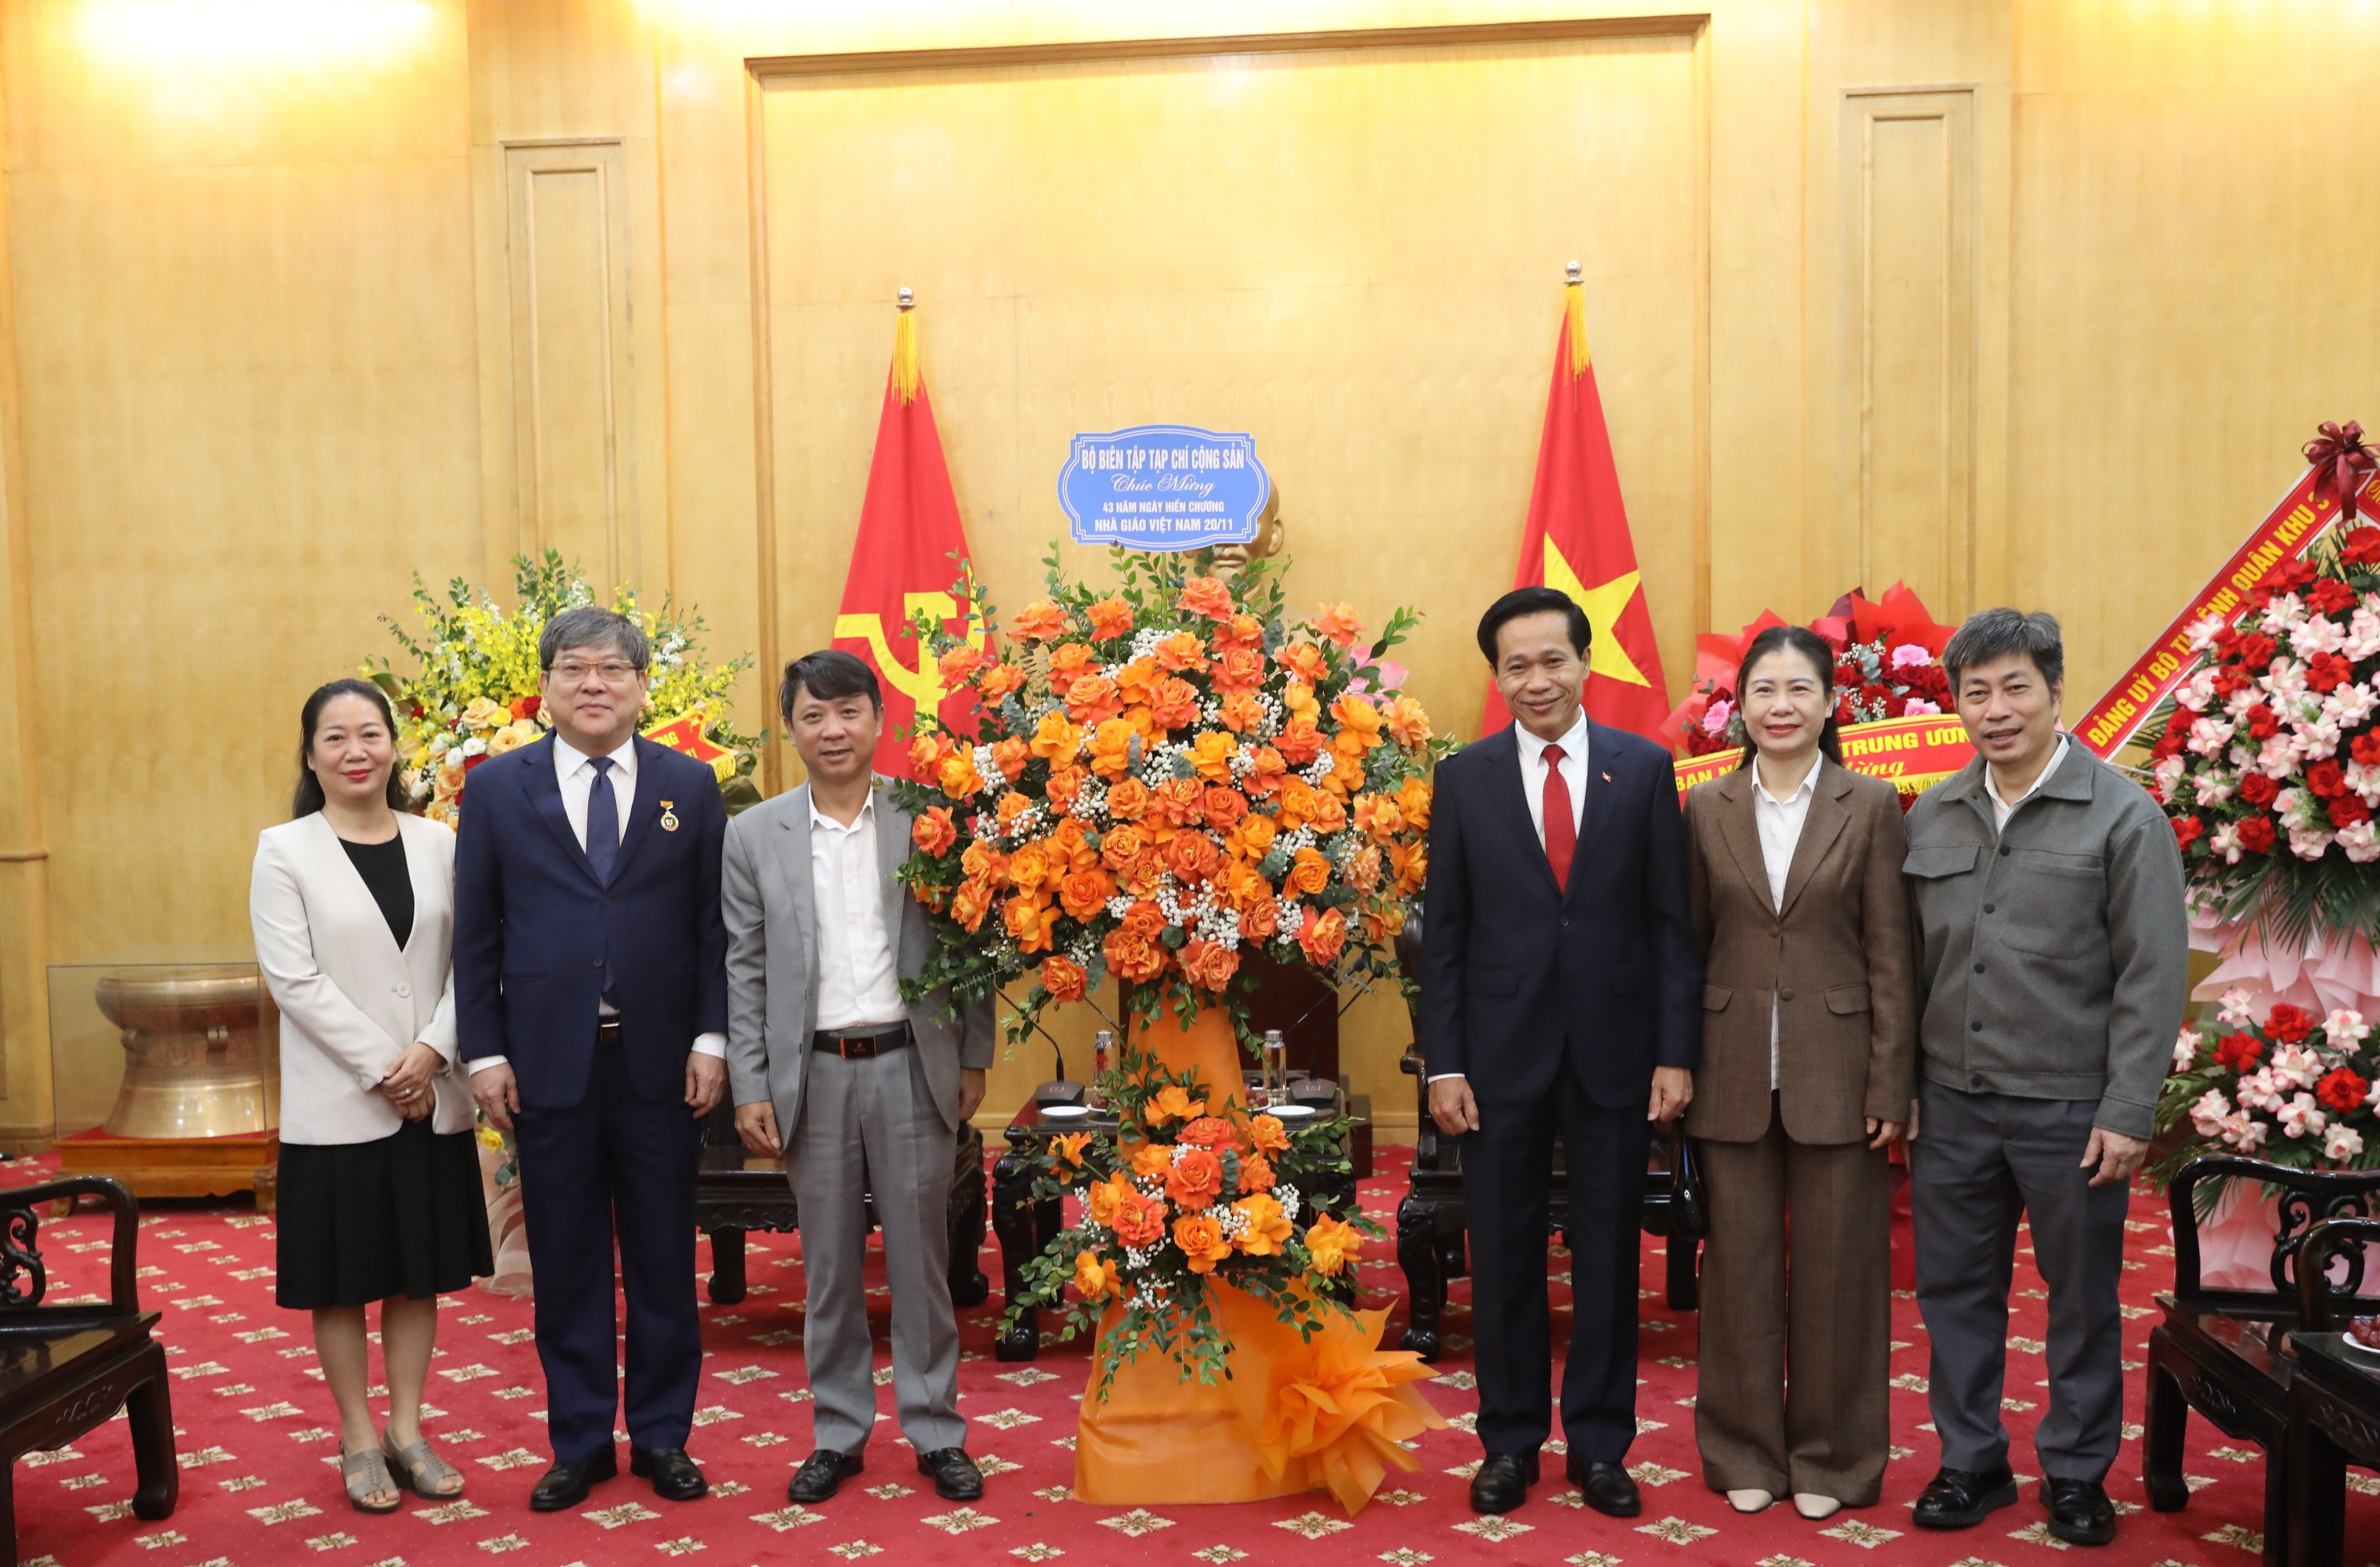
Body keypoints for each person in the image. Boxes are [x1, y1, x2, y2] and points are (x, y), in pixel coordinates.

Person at [1903, 609, 2186, 1547]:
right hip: (1951, 1103)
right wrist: (1903, 1089)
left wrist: (2129, 1108)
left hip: (2072, 1110)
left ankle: (2075, 1472)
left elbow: (2152, 975)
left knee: (2081, 1300)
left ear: (2056, 692)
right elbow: (1907, 969)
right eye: (1975, 692)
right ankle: (1971, 1461)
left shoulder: (2124, 816)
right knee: (1954, 1295)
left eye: (2015, 687)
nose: (1996, 709)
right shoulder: (1932, 814)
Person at [1421, 585, 1703, 1517]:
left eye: (1553, 660)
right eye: (1517, 666)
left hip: (1616, 1051)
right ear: (1496, 677)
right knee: (1503, 1255)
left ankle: (1600, 1445)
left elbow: (1670, 927)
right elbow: (1446, 936)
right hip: (1497, 1056)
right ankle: (1508, 1444)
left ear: (1585, 662)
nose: (1536, 679)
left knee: (1608, 1253)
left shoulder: (1644, 768)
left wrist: (1675, 1052)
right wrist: (1444, 1063)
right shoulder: (1464, 778)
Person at [453, 606, 730, 1512]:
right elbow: (477, 935)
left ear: (643, 686)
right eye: (574, 669)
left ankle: (661, 1437)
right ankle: (578, 1443)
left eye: (612, 669)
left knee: (663, 1260)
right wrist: (484, 1053)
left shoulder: (690, 784)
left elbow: (713, 928)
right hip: (546, 1065)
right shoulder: (497, 789)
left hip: (661, 1065)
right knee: (566, 1263)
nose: (594, 685)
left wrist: (711, 1039)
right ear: (546, 688)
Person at [722, 649, 995, 1506]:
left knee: (921, 1264)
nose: (831, 730)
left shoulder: (931, 819)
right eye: (813, 715)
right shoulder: (753, 834)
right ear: (790, 729)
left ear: (879, 719)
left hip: (911, 1066)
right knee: (830, 1271)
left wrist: (974, 1056)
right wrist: (749, 1083)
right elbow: (744, 967)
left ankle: (936, 1430)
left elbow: (970, 946)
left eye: (848, 712)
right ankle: (837, 1433)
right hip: (812, 1076)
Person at [1681, 626, 1914, 1521]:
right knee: (1736, 1274)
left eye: (1799, 689)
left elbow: (1892, 957)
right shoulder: (1705, 806)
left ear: (1829, 703)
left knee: (1839, 1274)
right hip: (1730, 1067)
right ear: (1738, 707)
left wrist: (1891, 1084)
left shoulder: (1873, 804)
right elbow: (1688, 947)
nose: (1781, 707)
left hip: (1839, 1072)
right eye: (1763, 690)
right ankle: (1742, 1448)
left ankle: (1834, 1460)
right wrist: (1677, 1063)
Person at [250, 678, 491, 1513]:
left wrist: (432, 1053)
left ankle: (407, 1428)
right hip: (341, 1104)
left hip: (433, 1090)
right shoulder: (284, 850)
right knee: (341, 1279)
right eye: (336, 737)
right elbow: (294, 980)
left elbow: (472, 960)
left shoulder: (439, 841)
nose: (356, 751)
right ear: (311, 756)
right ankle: (358, 1435)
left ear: (394, 746)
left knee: (416, 1275)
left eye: (371, 734)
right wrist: (389, 1071)